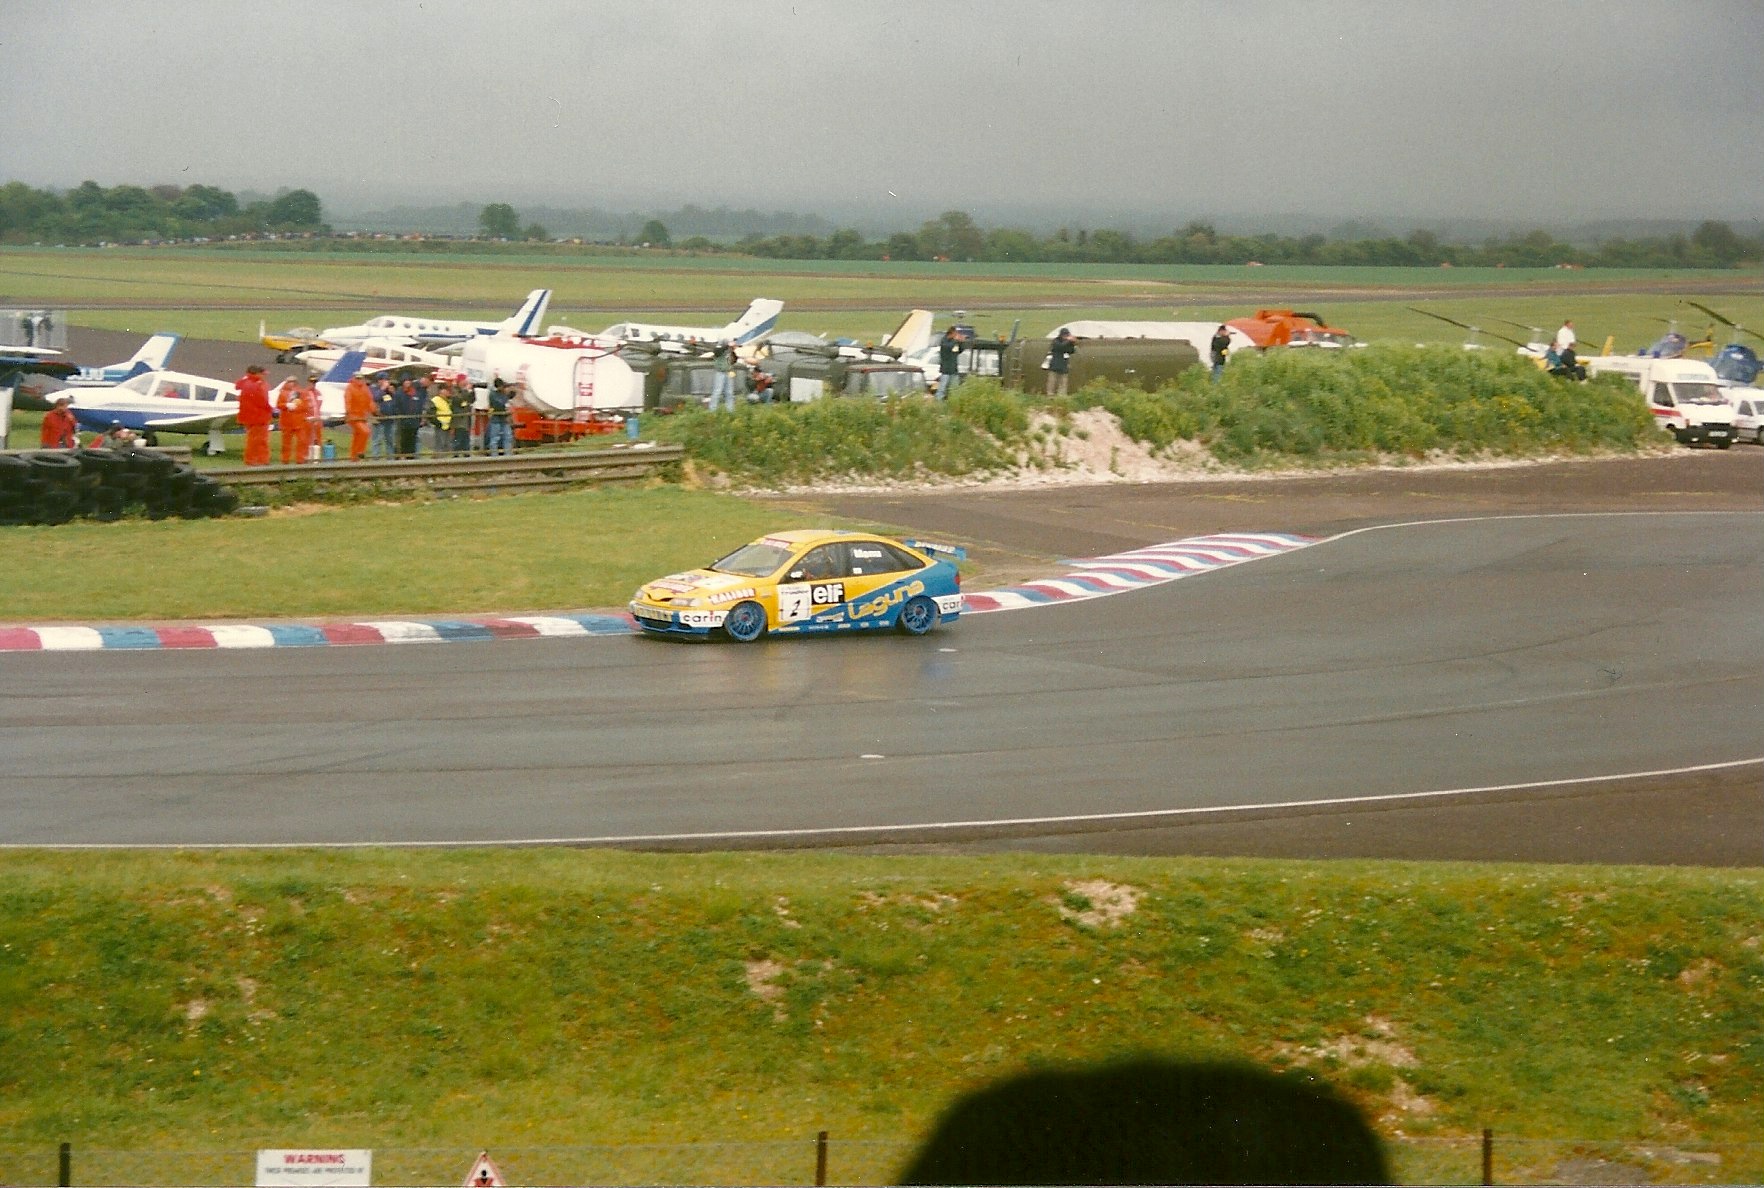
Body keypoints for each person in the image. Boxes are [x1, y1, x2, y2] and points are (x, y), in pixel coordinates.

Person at [236, 364, 273, 466]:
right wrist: (271, 410)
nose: (264, 376)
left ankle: (253, 460)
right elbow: (262, 400)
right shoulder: (259, 384)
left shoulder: (245, 383)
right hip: (260, 416)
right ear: (257, 374)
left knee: (252, 439)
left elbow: (237, 385)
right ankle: (260, 460)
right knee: (260, 440)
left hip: (248, 416)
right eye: (262, 374)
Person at [343, 374, 374, 461]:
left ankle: (354, 457)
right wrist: (348, 413)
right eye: (357, 378)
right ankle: (360, 452)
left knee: (358, 435)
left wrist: (374, 411)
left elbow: (370, 401)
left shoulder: (365, 388)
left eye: (360, 378)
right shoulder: (350, 388)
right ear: (354, 378)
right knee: (365, 432)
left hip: (362, 416)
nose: (359, 380)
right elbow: (347, 401)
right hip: (353, 416)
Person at [484, 379, 515, 455]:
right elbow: (499, 405)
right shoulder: (493, 394)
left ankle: (508, 455)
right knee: (494, 439)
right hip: (496, 419)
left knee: (508, 437)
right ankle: (494, 456)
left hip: (504, 419)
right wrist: (507, 398)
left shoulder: (503, 395)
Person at [369, 377, 397, 459]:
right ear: (379, 381)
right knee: (377, 440)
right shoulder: (374, 389)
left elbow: (396, 402)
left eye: (387, 380)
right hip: (378, 420)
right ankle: (376, 458)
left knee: (390, 441)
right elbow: (375, 398)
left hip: (389, 420)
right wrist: (383, 389)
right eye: (383, 380)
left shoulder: (390, 391)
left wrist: (393, 393)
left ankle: (390, 458)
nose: (386, 382)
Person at [935, 326, 967, 399]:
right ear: (951, 333)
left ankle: (953, 402)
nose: (956, 335)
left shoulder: (954, 342)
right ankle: (939, 402)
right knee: (942, 388)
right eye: (955, 333)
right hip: (946, 370)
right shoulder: (944, 341)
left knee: (955, 389)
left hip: (954, 370)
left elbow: (959, 350)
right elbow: (948, 347)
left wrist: (962, 342)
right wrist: (956, 340)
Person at [1045, 327, 1077, 397]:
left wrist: (1072, 343)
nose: (1065, 337)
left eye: (1067, 335)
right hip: (1055, 365)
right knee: (1052, 381)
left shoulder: (1067, 343)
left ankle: (1061, 396)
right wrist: (1068, 341)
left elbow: (1071, 351)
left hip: (1064, 365)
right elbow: (1060, 347)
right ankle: (1050, 395)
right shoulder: (1056, 341)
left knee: (1063, 382)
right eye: (1064, 335)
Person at [707, 340, 737, 411]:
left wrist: (732, 350)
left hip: (728, 372)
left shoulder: (730, 351)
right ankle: (712, 410)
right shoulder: (719, 350)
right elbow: (717, 351)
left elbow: (734, 359)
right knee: (717, 391)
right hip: (720, 372)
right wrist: (727, 346)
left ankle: (730, 410)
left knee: (729, 392)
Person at [448, 380, 474, 455]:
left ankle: (466, 454)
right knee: (458, 439)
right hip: (458, 421)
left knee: (466, 439)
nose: (465, 383)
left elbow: (471, 399)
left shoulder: (466, 392)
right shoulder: (456, 391)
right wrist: (465, 390)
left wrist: (472, 391)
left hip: (466, 420)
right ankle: (455, 454)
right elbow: (458, 400)